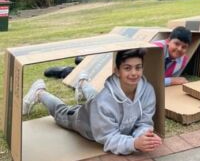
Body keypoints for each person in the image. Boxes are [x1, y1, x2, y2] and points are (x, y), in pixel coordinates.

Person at [22, 48, 162, 154]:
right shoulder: (103, 102)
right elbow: (108, 138)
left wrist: (144, 136)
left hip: (101, 107)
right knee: (62, 111)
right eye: (127, 68)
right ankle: (40, 92)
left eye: (138, 67)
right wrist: (134, 143)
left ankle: (82, 82)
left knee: (94, 97)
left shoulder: (147, 90)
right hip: (85, 122)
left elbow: (144, 122)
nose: (134, 73)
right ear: (117, 71)